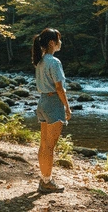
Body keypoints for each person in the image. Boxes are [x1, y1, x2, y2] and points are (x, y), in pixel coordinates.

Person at [32, 28, 72, 193]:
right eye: (58, 40)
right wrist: (67, 108)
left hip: (42, 102)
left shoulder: (40, 61)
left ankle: (44, 179)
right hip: (53, 103)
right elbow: (59, 88)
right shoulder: (54, 62)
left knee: (43, 145)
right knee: (50, 147)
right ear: (51, 43)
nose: (60, 43)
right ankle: (47, 182)